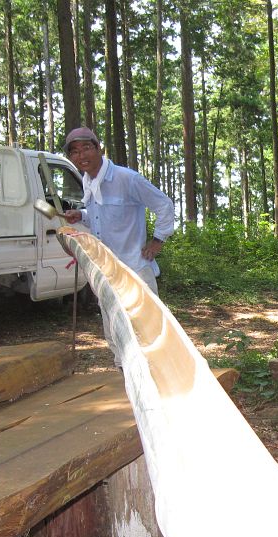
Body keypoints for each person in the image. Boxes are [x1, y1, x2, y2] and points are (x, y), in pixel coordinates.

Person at [62, 126, 175, 367]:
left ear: (98, 149)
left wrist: (157, 241)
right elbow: (102, 217)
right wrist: (81, 215)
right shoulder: (89, 182)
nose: (81, 155)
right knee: (115, 331)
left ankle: (160, 379)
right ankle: (125, 374)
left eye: (86, 148)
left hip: (135, 269)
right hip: (106, 270)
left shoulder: (126, 179)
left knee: (148, 331)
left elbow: (164, 205)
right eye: (75, 152)